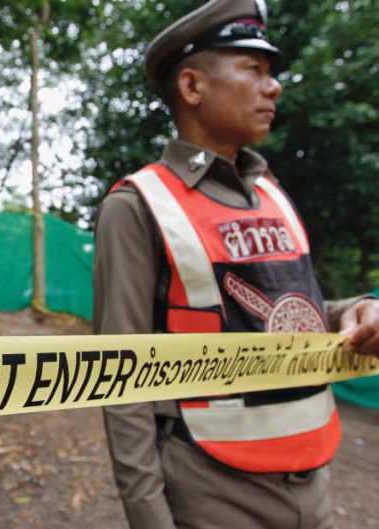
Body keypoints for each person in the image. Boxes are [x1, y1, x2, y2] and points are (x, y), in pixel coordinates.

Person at [92, 1, 379, 528]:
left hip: (313, 486)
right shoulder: (137, 206)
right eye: (254, 70)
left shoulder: (273, 194)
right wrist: (150, 518)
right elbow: (120, 378)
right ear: (193, 87)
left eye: (271, 74)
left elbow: (298, 310)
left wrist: (357, 311)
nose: (274, 88)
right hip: (212, 497)